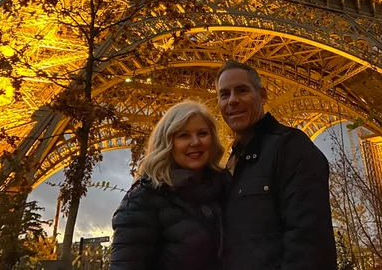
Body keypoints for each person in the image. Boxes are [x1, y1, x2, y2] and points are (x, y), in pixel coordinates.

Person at [216, 60, 337, 270]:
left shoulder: (291, 147)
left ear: (262, 95)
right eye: (224, 94)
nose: (233, 100)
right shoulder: (233, 163)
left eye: (242, 90)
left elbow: (309, 244)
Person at [110, 100, 228, 270]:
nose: (195, 142)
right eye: (183, 135)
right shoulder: (142, 199)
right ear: (167, 143)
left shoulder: (224, 190)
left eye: (202, 133)